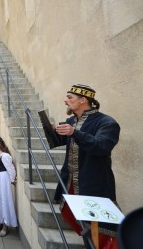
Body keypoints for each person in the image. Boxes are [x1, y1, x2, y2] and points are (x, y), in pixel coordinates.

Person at [54, 84, 120, 249]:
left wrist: (74, 132)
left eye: (70, 98)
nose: (65, 100)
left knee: (102, 227)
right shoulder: (72, 121)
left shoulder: (107, 122)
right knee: (80, 221)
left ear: (83, 100)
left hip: (94, 182)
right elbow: (58, 142)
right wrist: (51, 129)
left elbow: (101, 146)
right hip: (71, 181)